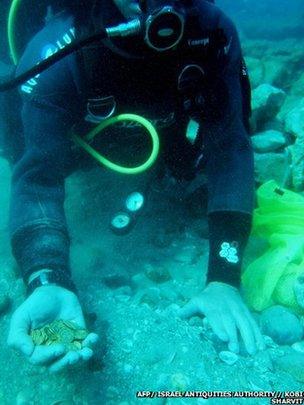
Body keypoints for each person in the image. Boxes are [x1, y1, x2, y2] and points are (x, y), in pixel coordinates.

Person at [6, 0, 265, 374]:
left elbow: (231, 147)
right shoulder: (56, 51)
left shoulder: (213, 31)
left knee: (188, 164)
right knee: (17, 139)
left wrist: (223, 279)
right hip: (87, 144)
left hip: (159, 136)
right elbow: (36, 178)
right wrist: (47, 277)